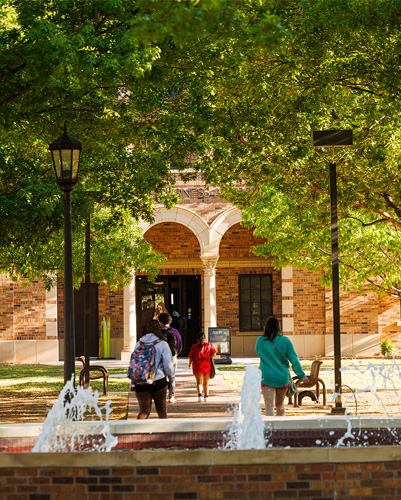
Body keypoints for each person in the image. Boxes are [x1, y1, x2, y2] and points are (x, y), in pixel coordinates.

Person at [255, 316, 309, 416]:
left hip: (266, 377)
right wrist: (301, 375)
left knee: (269, 405)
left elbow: (258, 352)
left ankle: (270, 429)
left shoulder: (260, 340)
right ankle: (281, 428)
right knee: (280, 405)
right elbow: (294, 359)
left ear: (266, 327)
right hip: (282, 377)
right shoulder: (285, 341)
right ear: (278, 328)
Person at [131, 319, 174, 419]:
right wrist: (171, 379)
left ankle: (138, 433)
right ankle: (165, 434)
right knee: (162, 410)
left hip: (141, 380)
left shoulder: (139, 342)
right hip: (158, 379)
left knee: (144, 411)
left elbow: (135, 361)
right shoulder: (162, 344)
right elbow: (168, 365)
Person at [159, 312, 182, 404]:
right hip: (172, 356)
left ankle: (161, 396)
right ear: (170, 321)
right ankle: (171, 397)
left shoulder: (157, 332)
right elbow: (179, 344)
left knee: (161, 377)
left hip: (160, 357)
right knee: (172, 377)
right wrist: (176, 353)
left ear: (160, 322)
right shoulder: (175, 331)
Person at [188, 332, 216, 402]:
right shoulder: (209, 345)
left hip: (198, 366)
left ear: (197, 339)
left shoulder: (194, 346)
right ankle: (206, 397)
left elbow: (191, 357)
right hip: (207, 365)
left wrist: (190, 364)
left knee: (199, 383)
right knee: (206, 383)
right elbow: (214, 354)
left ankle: (199, 396)